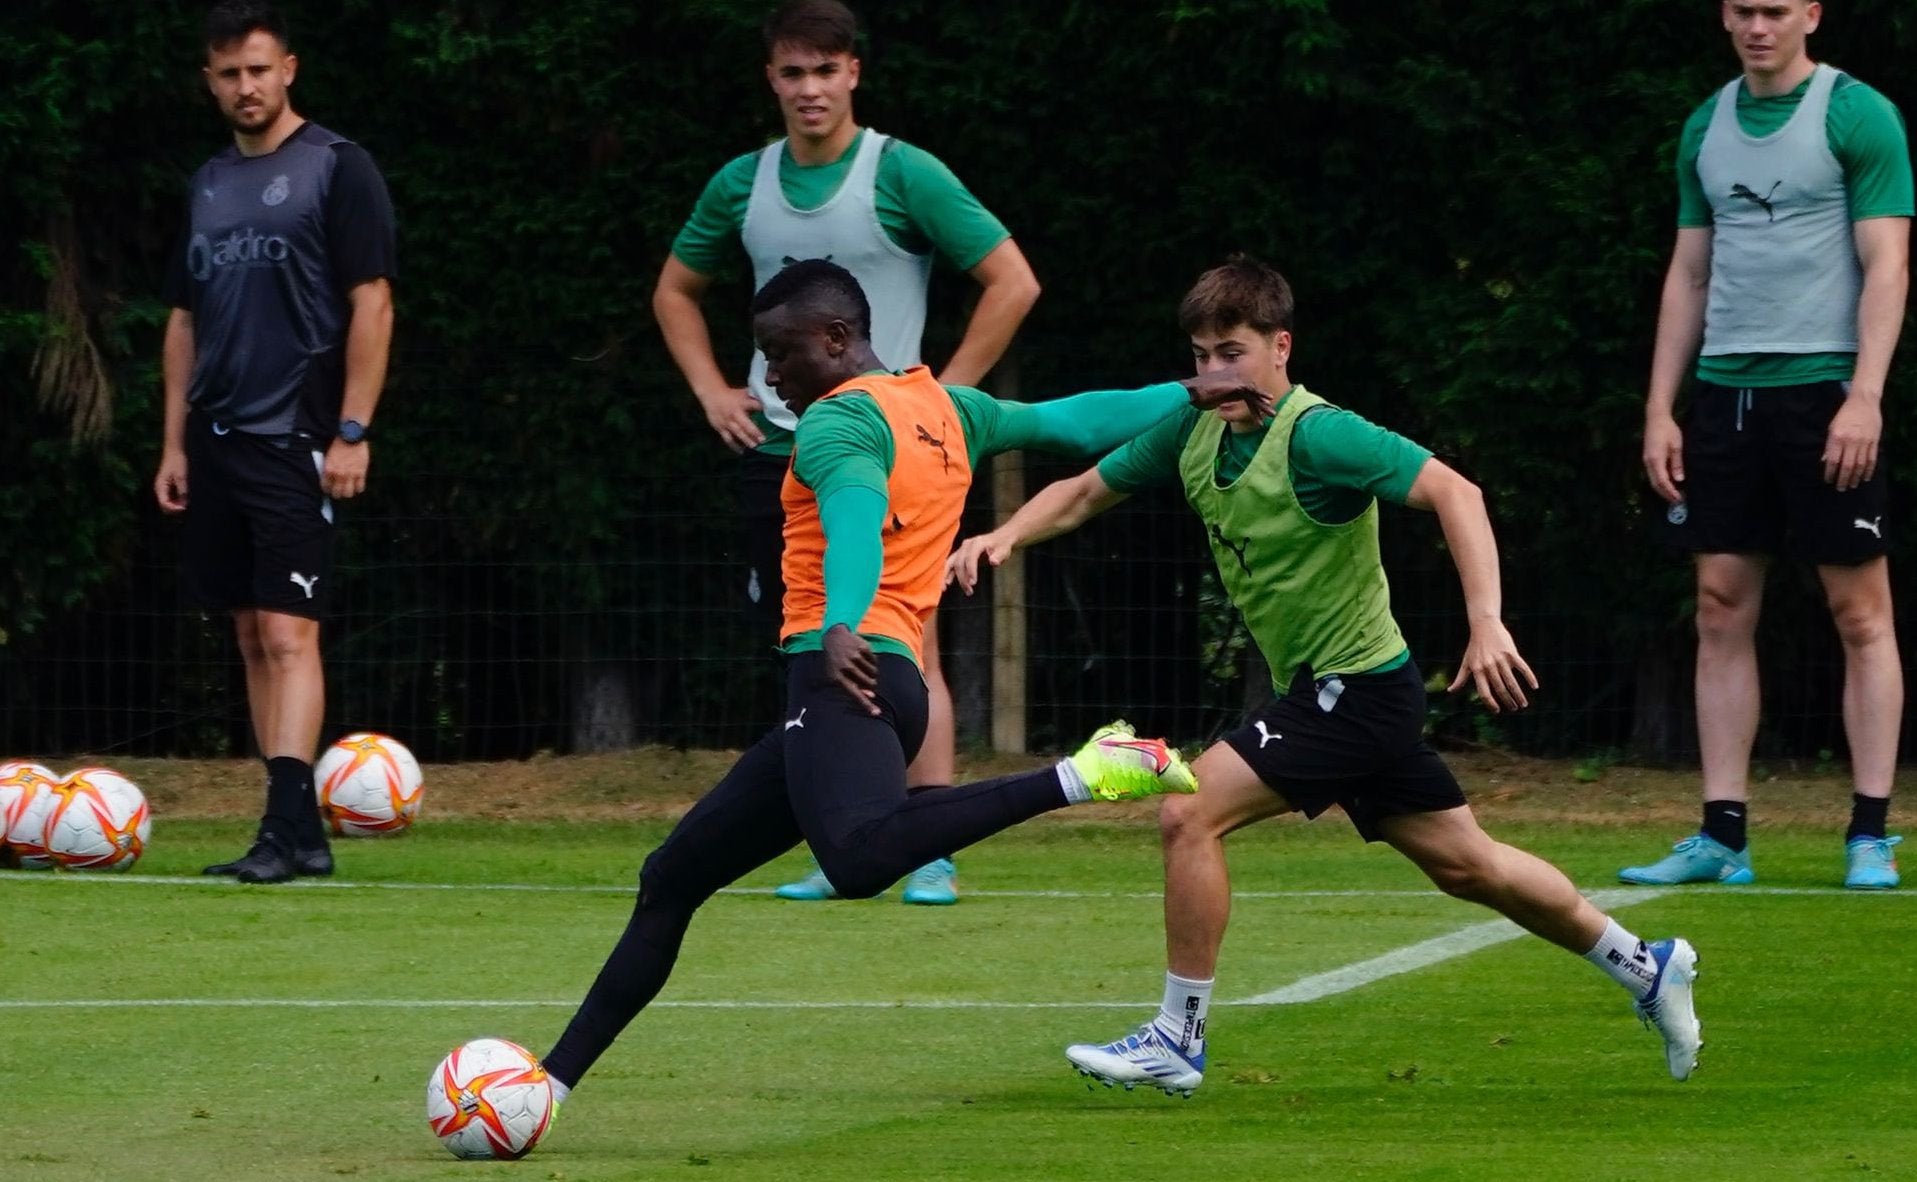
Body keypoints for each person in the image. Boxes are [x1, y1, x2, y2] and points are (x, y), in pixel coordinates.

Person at [947, 256, 1703, 1094]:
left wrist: (1485, 621)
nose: (1211, 373)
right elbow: (1088, 490)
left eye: (1230, 352)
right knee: (1468, 866)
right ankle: (1644, 963)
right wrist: (1005, 535)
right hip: (1334, 693)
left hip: (1353, 692)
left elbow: (1457, 492)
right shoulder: (1192, 431)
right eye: (1199, 355)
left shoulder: (1319, 434)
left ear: (1280, 347)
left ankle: (1176, 1035)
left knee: (1185, 816)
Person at [538, 259, 1270, 1104]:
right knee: (671, 877)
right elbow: (1069, 422)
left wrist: (842, 621)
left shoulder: (836, 423)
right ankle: (548, 1085)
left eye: (781, 353)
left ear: (839, 339)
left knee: (855, 859)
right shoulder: (946, 408)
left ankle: (1085, 771)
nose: (771, 374)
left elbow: (852, 511)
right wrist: (1187, 392)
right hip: (886, 682)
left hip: (841, 671)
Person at [652, 0, 1042, 906]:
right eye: (792, 73)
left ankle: (926, 841)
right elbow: (675, 290)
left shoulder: (902, 173)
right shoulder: (740, 184)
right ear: (771, 82)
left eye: (825, 71)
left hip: (887, 444)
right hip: (787, 449)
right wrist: (713, 388)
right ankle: (842, 830)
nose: (809, 90)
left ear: (853, 73)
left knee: (909, 645)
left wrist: (937, 403)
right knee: (807, 650)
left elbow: (1012, 280)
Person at [1632, 0, 1910, 891]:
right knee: (1718, 605)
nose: (1758, 26)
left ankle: (1869, 831)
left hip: (1824, 392)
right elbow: (1688, 270)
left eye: (1775, 10)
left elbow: (1887, 264)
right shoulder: (1704, 125)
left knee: (1859, 614)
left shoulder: (1855, 113)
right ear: (1722, 16)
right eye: (1744, 10)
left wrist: (1863, 396)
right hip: (1723, 396)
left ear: (1811, 15)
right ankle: (1722, 835)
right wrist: (1659, 408)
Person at [154, 1, 397, 885]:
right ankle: (289, 827)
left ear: (288, 68)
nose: (245, 86)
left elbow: (372, 301)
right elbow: (183, 319)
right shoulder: (209, 181)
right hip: (215, 440)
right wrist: (173, 443)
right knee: (252, 633)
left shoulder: (338, 167)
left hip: (297, 433)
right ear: (210, 82)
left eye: (259, 69)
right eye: (229, 74)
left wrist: (353, 430)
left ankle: (290, 828)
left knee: (293, 634)